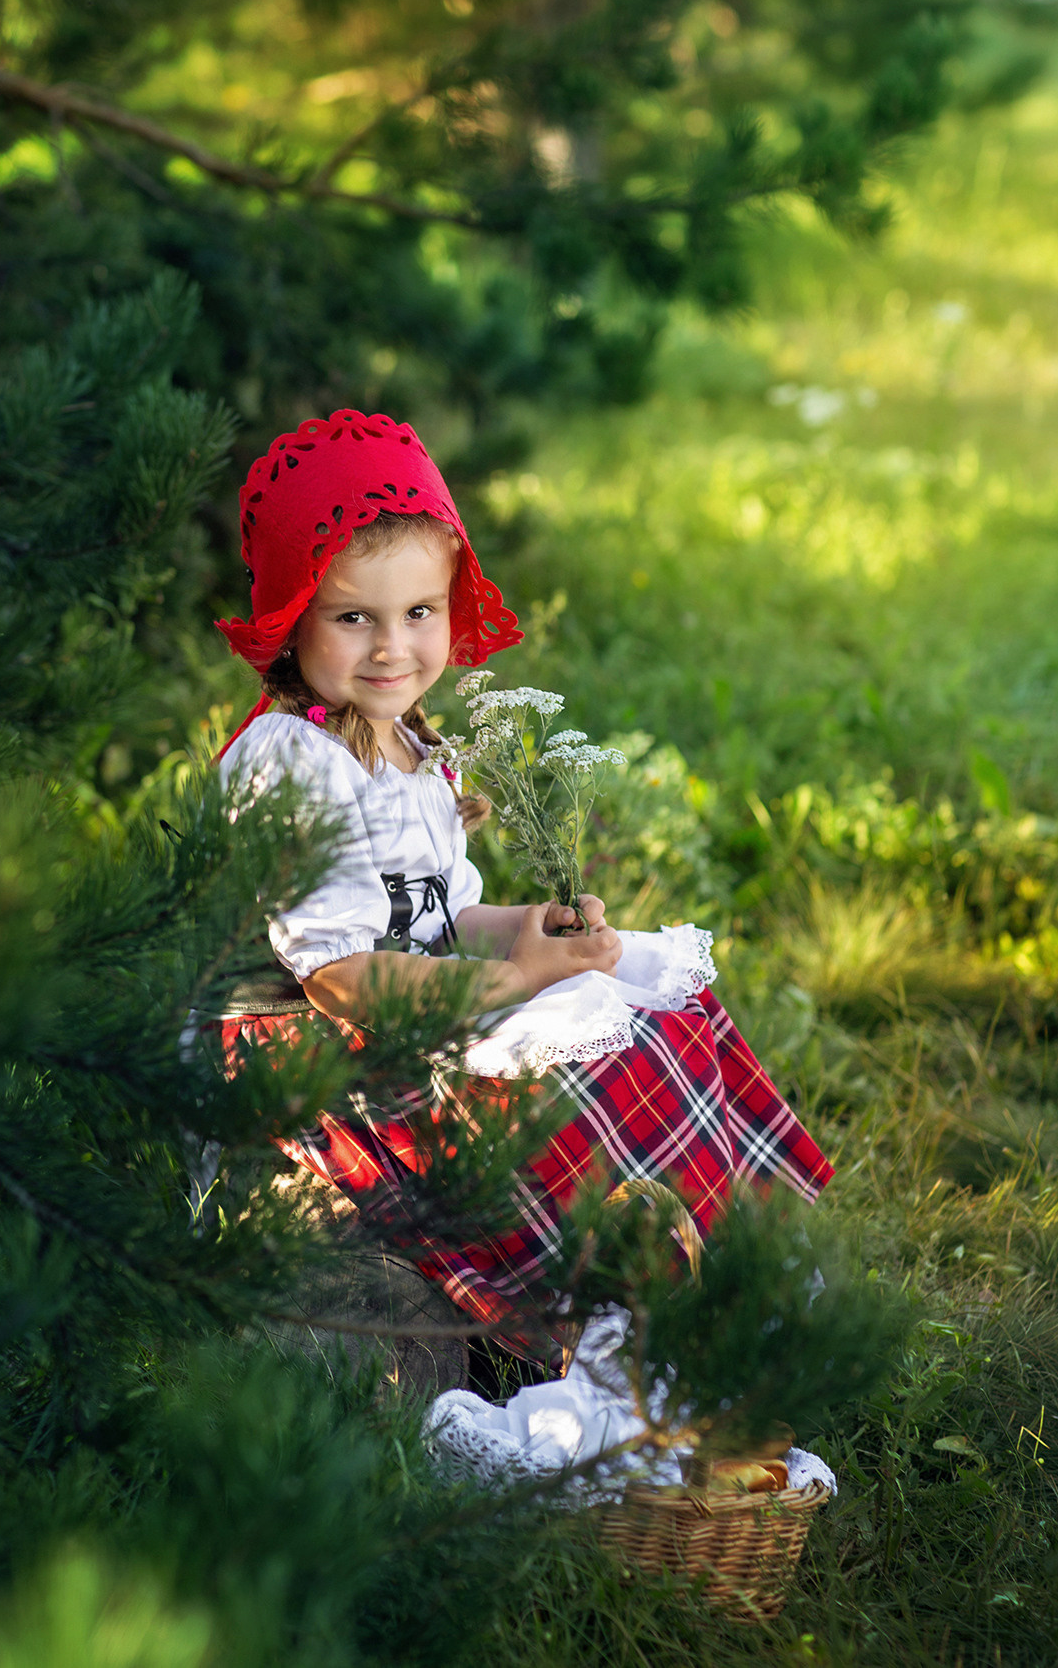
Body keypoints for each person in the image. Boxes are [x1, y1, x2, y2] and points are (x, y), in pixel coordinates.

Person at [210, 407, 833, 1358]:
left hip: (420, 995)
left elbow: (446, 915)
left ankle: (711, 1265)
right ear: (291, 621)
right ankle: (591, 1314)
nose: (391, 648)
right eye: (352, 617)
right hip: (325, 1041)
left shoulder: (412, 744)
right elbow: (335, 974)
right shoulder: (292, 764)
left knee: (641, 1004)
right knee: (559, 1078)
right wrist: (513, 983)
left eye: (419, 613)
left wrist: (529, 933)